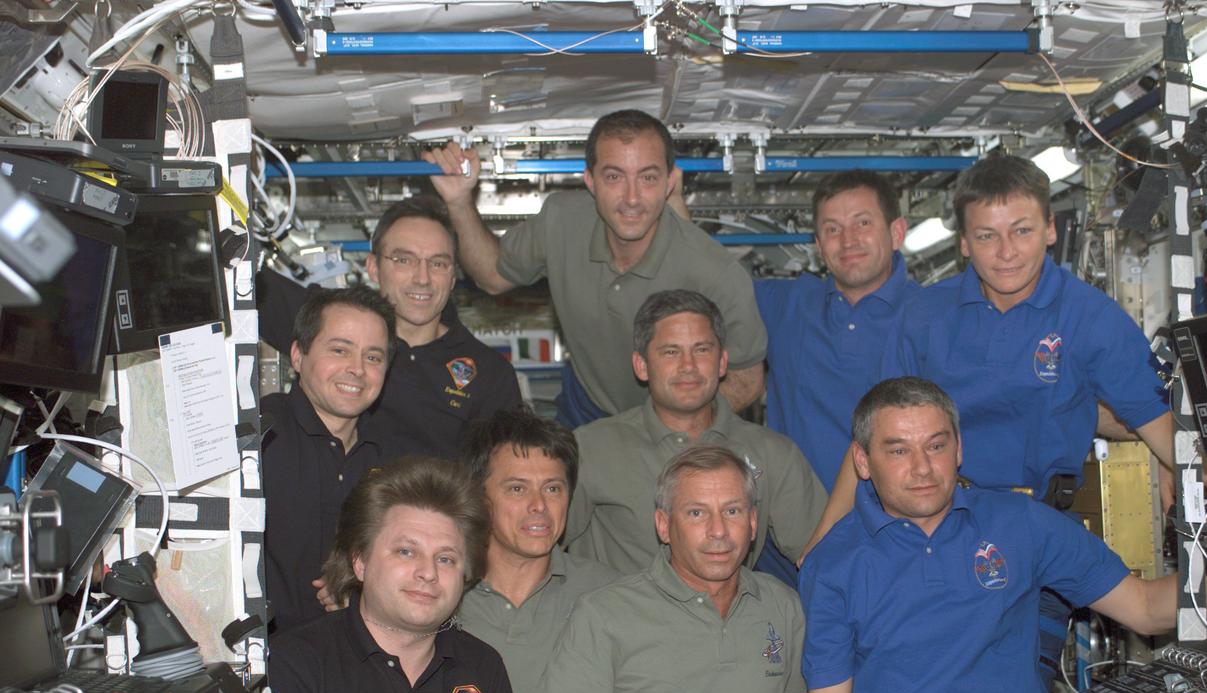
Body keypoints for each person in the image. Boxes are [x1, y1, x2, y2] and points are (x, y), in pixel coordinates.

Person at [807, 155, 1176, 682]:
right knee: (913, 678)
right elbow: (875, 438)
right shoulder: (924, 317)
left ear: (1050, 229)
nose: (1006, 252)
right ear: (963, 242)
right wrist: (826, 537)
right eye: (986, 236)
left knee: (1014, 683)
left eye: (1022, 231)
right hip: (932, 528)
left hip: (1038, 533)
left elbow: (1165, 429)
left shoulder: (1089, 318)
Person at [777, 378, 1176, 693]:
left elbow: (1147, 608)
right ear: (863, 462)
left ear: (959, 449)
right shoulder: (833, 562)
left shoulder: (1022, 524)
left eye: (936, 445)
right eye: (898, 451)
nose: (923, 467)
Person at [528, 445, 807, 693]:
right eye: (696, 513)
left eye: (732, 511)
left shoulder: (781, 606)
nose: (718, 530)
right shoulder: (606, 614)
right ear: (663, 525)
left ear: (752, 522)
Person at [424, 110, 767, 425]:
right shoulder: (562, 221)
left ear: (669, 183)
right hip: (586, 404)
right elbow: (491, 275)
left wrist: (675, 427)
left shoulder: (714, 273)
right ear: (590, 181)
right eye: (615, 177)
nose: (632, 198)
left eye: (648, 178)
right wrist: (459, 202)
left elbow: (747, 381)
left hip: (675, 417)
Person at [270, 456, 538, 693]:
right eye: (406, 552)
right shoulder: (296, 663)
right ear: (360, 562)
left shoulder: (480, 667)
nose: (428, 572)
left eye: (446, 558)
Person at [565, 289, 825, 576]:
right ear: (641, 365)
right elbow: (536, 551)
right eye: (671, 352)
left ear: (722, 362)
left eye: (701, 350)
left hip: (728, 605)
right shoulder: (591, 449)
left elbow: (829, 557)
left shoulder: (772, 454)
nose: (688, 366)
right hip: (615, 605)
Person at [456, 407, 619, 693]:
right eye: (516, 488)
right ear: (478, 497)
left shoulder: (610, 596)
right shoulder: (437, 592)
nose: (539, 506)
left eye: (553, 488)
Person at [257, 195, 521, 459]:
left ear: (453, 277)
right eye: (404, 260)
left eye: (438, 264)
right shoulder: (328, 324)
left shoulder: (490, 376)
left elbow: (506, 473)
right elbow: (241, 281)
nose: (422, 279)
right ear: (374, 267)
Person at [753, 170, 919, 491]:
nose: (848, 240)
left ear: (896, 232)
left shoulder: (935, 317)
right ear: (818, 245)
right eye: (832, 229)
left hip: (898, 518)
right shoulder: (786, 305)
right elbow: (701, 278)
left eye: (863, 223)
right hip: (796, 519)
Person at [262, 285, 394, 632]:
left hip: (359, 657)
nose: (357, 369)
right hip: (262, 656)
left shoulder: (394, 463)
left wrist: (370, 592)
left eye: (373, 357)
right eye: (340, 350)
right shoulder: (256, 438)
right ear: (297, 356)